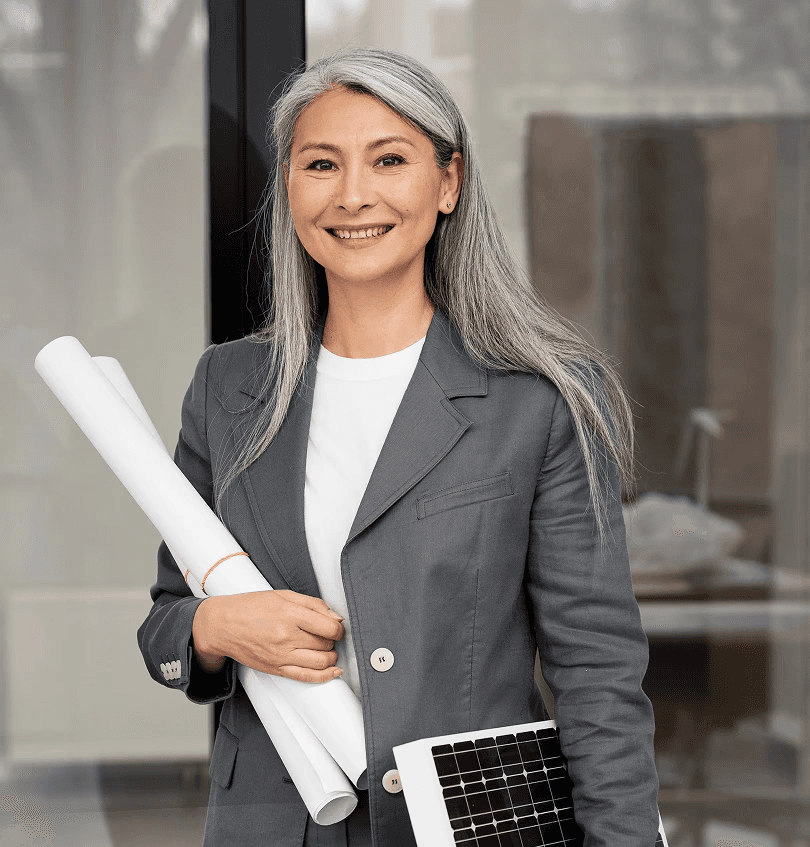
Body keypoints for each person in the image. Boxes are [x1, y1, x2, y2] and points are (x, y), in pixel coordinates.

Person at [137, 47, 660, 847]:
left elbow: (597, 672)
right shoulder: (228, 387)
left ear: (448, 183)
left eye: (390, 160)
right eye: (321, 164)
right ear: (289, 186)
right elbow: (167, 622)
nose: (353, 196)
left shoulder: (541, 397)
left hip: (470, 824)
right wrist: (216, 629)